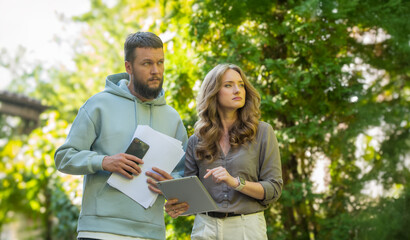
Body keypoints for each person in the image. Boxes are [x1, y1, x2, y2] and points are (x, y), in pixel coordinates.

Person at [54, 32, 188, 240]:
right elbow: (64, 158)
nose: (155, 71)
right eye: (146, 63)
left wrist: (172, 184)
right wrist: (104, 161)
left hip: (151, 233)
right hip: (100, 230)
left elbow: (184, 172)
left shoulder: (173, 118)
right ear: (128, 67)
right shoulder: (98, 105)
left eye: (160, 62)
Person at [165, 63, 283, 239]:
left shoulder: (263, 132)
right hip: (205, 228)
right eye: (228, 85)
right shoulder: (196, 140)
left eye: (241, 84)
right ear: (213, 92)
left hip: (246, 228)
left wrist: (236, 182)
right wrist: (177, 206)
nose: (237, 90)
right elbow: (190, 194)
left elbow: (274, 189)